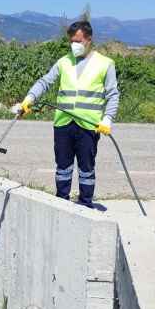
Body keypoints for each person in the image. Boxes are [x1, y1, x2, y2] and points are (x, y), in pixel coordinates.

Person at [13, 20, 120, 209]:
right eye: (72, 41)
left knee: (86, 169)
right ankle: (61, 204)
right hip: (63, 123)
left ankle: (86, 205)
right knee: (63, 167)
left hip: (89, 125)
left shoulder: (105, 64)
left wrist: (107, 118)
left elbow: (113, 95)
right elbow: (45, 81)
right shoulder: (64, 62)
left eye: (78, 41)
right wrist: (28, 99)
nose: (74, 45)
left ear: (89, 39)